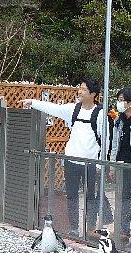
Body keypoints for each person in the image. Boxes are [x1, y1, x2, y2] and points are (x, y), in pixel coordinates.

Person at [22, 78, 109, 237]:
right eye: (80, 88)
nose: (80, 91)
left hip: (90, 163)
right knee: (72, 196)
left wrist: (100, 165)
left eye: (84, 89)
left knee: (90, 197)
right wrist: (33, 102)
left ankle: (90, 229)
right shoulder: (73, 109)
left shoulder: (101, 114)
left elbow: (106, 141)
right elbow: (53, 108)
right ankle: (74, 228)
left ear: (93, 94)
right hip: (70, 161)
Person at [109, 88, 131, 246]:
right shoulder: (118, 121)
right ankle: (123, 230)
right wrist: (112, 165)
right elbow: (114, 144)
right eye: (119, 100)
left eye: (122, 100)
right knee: (123, 200)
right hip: (121, 165)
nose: (119, 103)